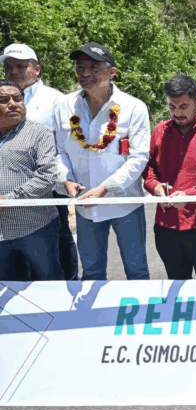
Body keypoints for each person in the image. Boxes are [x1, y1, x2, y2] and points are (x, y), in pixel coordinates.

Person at [53, 43, 150, 280]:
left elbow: (138, 158)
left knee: (136, 270)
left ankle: (139, 318)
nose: (85, 73)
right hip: (86, 207)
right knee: (92, 271)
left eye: (94, 67)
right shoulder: (64, 106)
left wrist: (105, 188)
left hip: (125, 203)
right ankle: (95, 318)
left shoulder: (133, 107)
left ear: (111, 72)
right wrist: (66, 180)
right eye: (80, 67)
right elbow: (59, 152)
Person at [1, 44, 78, 280]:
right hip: (7, 201)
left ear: (37, 69)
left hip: (50, 188)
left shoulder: (57, 100)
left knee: (58, 246)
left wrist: (67, 179)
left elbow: (69, 143)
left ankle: (68, 289)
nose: (14, 71)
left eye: (21, 66)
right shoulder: (2, 94)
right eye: (9, 67)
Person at [143, 75, 196, 279]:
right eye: (172, 107)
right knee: (175, 280)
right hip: (166, 225)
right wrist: (154, 186)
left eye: (183, 106)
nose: (177, 113)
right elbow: (147, 167)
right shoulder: (159, 131)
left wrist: (190, 195)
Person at [0, 81, 64, 281]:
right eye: (4, 100)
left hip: (35, 226)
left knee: (50, 283)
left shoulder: (40, 133)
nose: (13, 104)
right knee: (9, 289)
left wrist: (8, 199)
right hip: (1, 233)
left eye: (18, 99)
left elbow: (47, 175)